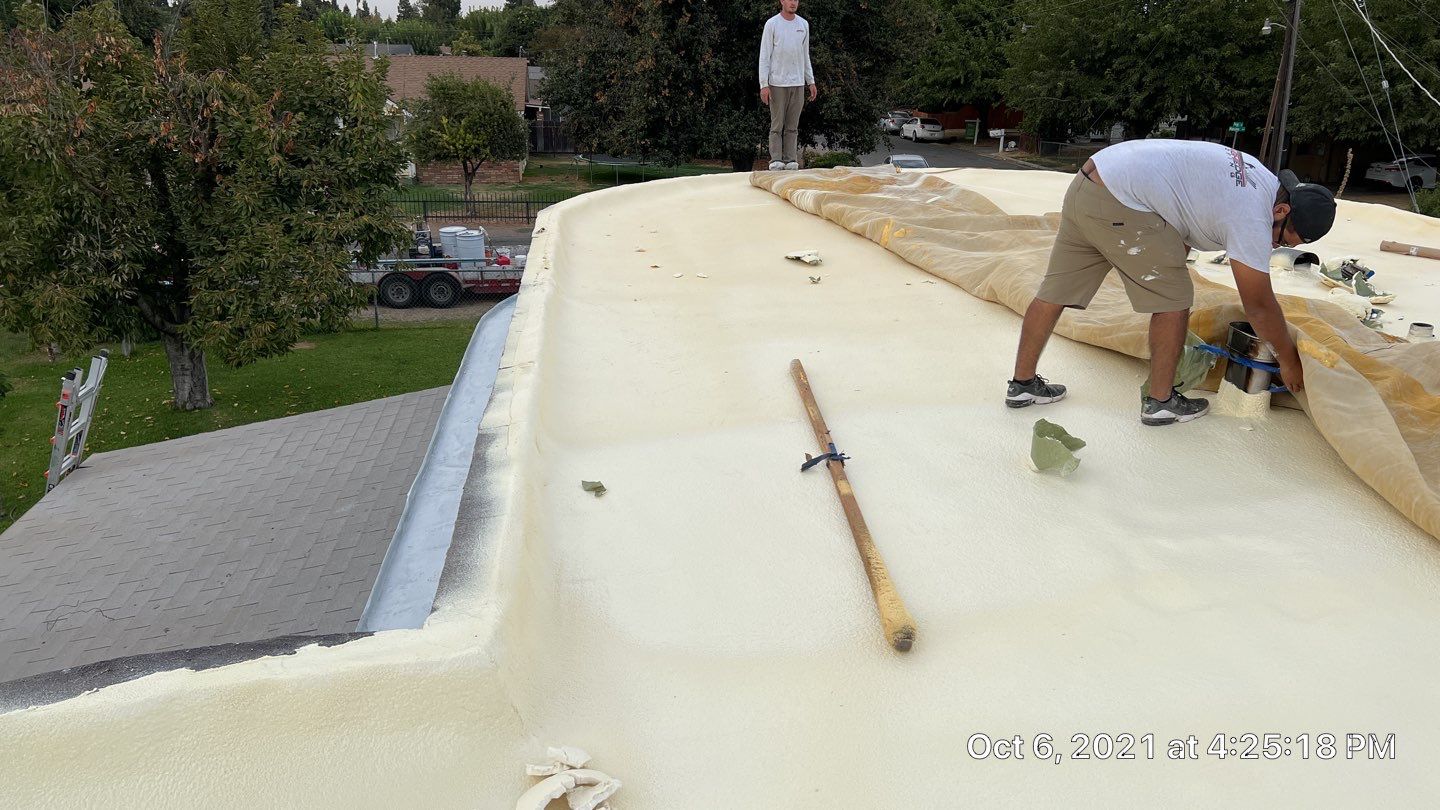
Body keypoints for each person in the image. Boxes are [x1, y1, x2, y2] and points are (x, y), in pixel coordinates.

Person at [1006, 140, 1336, 426]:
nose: (1276, 246)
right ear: (1281, 210)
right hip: (1123, 200)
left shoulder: (1260, 179)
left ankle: (1022, 385)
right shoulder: (1252, 215)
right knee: (1174, 300)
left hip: (1090, 182)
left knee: (1054, 292)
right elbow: (1259, 305)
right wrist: (1289, 361)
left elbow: (1184, 206)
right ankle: (1160, 402)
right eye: (1283, 239)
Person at [758, 0, 817, 171]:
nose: (793, 3)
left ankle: (790, 159)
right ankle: (776, 160)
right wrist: (764, 84)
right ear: (782, 1)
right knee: (777, 125)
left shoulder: (803, 25)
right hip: (777, 83)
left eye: (796, 0)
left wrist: (810, 81)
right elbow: (765, 55)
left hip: (797, 83)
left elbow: (805, 55)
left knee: (792, 126)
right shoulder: (772, 24)